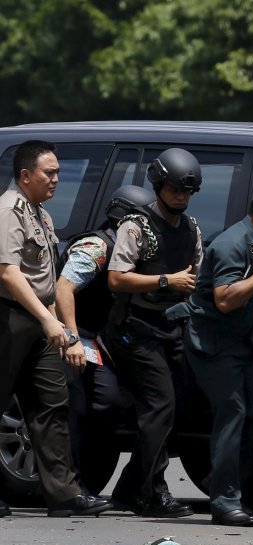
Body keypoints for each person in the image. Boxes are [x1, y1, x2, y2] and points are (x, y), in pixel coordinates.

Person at [0, 140, 113, 517]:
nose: (56, 180)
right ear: (25, 175)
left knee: (53, 404)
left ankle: (64, 495)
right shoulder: (7, 212)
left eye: (58, 173)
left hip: (40, 323)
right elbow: (8, 274)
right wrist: (48, 319)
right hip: (9, 317)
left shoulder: (42, 215)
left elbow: (47, 282)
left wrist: (67, 332)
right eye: (50, 173)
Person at [169, 183, 253, 527]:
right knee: (232, 411)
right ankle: (224, 501)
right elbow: (223, 300)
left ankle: (223, 481)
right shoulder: (231, 244)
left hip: (245, 341)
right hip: (214, 341)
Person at [105, 148, 203, 518]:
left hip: (171, 327)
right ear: (159, 185)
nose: (181, 196)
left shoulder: (191, 228)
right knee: (159, 408)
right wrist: (166, 279)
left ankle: (131, 488)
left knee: (174, 410)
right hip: (136, 329)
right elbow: (117, 279)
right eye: (175, 189)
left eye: (187, 192)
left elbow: (196, 275)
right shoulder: (136, 225)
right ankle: (152, 491)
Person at [55, 185, 153, 487]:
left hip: (99, 339)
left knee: (107, 404)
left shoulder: (130, 252)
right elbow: (64, 289)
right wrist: (71, 338)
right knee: (78, 408)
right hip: (73, 336)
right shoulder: (97, 248)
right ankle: (70, 485)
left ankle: (89, 482)